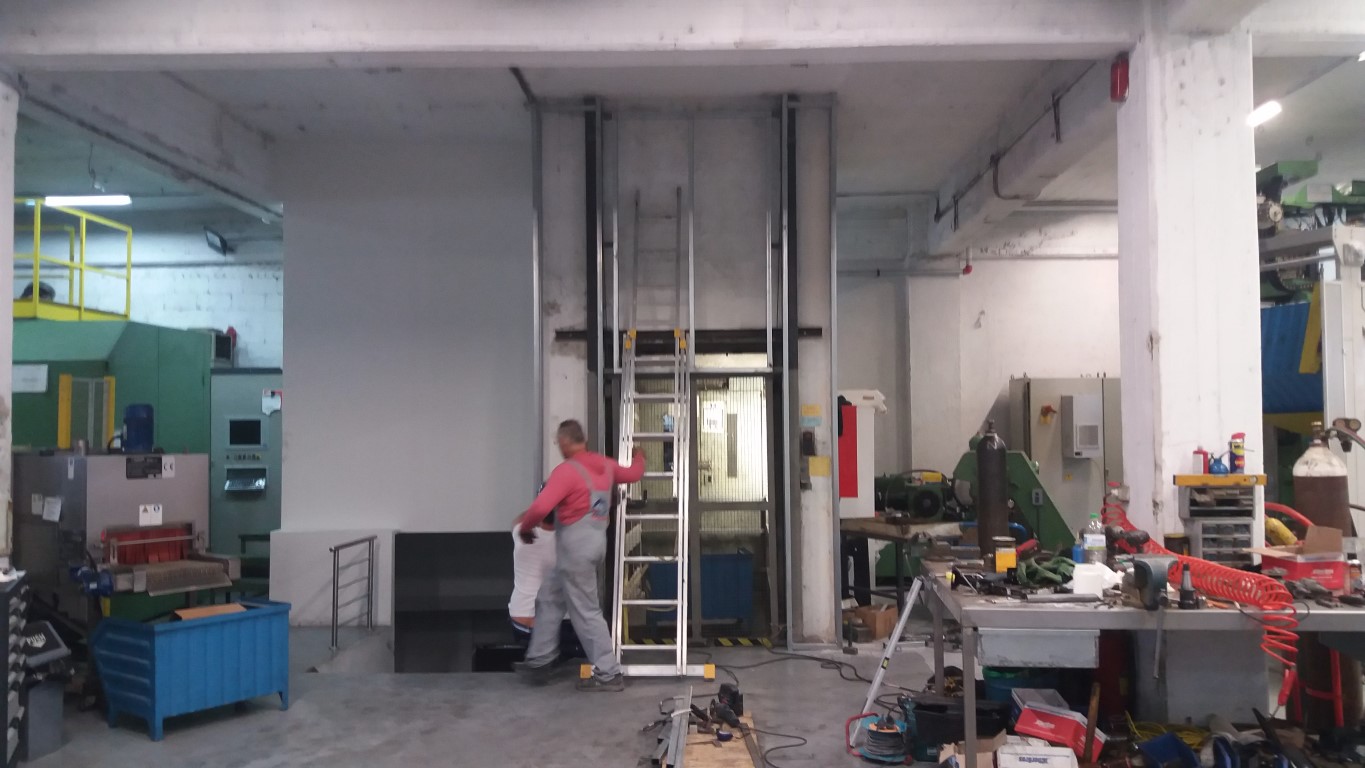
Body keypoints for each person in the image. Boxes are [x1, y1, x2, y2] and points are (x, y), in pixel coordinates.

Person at [512, 419, 644, 692]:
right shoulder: (605, 465)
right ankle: (540, 660)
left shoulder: (566, 472)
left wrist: (525, 529)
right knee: (548, 597)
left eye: (557, 442)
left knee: (586, 611)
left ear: (564, 441)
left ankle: (608, 673)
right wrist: (639, 456)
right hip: (593, 546)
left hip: (574, 551)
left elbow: (540, 508)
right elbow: (633, 474)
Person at [508, 510, 583, 659]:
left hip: (520, 619)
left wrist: (541, 506)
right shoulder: (567, 542)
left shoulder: (522, 532)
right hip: (552, 625)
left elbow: (519, 519)